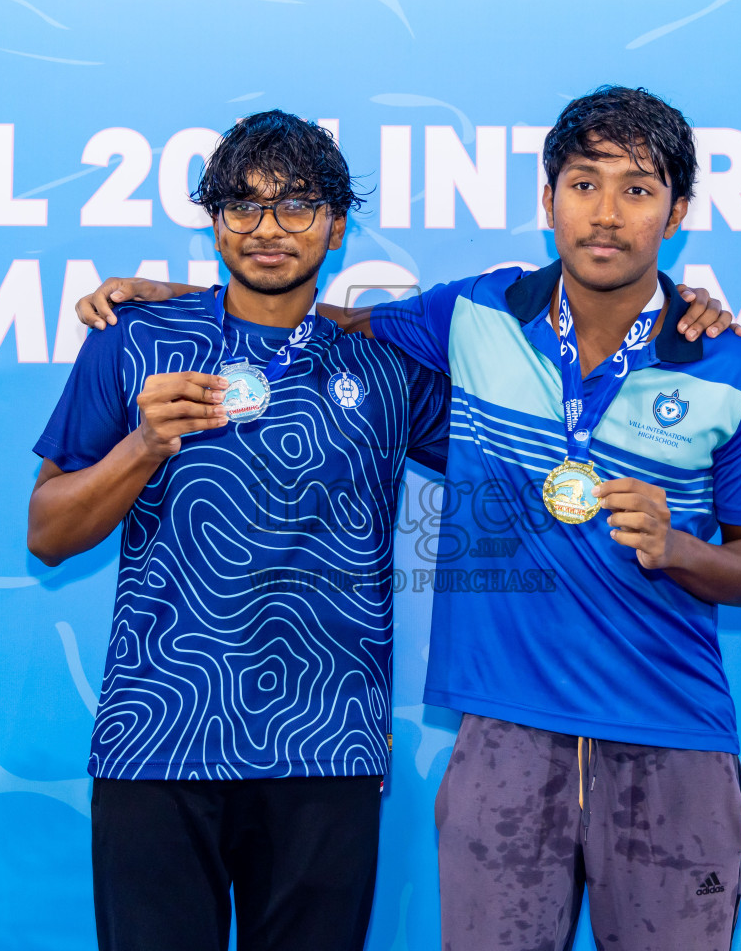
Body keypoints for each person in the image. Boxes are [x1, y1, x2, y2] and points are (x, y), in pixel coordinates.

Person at [75, 87, 741, 951]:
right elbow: (315, 316)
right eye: (585, 184)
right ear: (548, 199)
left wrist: (676, 546)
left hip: (641, 733)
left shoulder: (731, 363)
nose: (607, 211)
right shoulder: (472, 314)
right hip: (468, 734)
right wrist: (186, 299)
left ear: (676, 212)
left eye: (637, 188)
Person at [27, 110, 453, 951]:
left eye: (296, 206)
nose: (268, 229)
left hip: (326, 746)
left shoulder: (391, 368)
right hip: (157, 740)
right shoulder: (133, 342)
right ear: (213, 222)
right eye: (242, 206)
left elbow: (538, 415)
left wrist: (673, 313)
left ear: (336, 224)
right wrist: (145, 445)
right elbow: (48, 533)